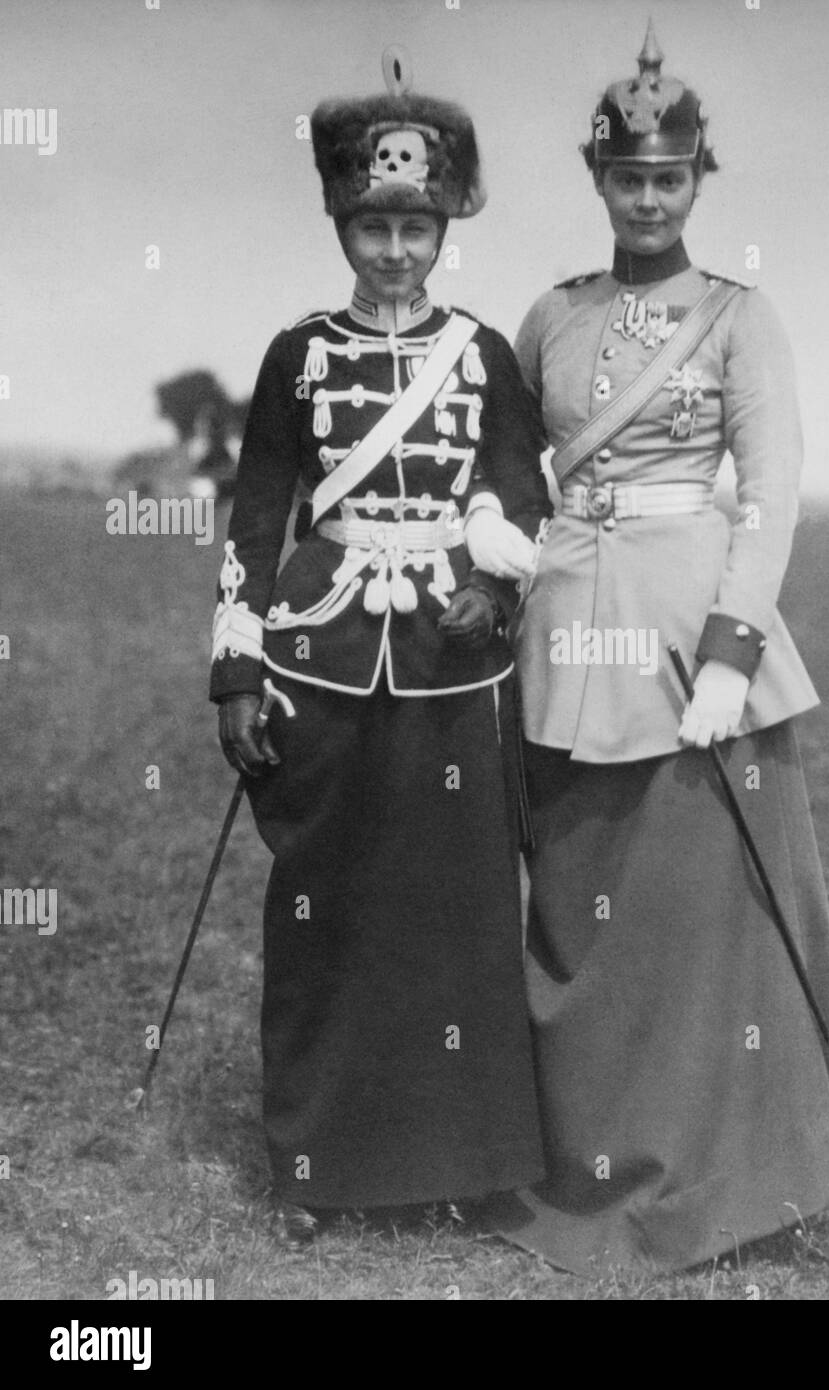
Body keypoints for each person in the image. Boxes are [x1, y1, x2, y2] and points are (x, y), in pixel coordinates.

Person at [480, 24, 829, 1275]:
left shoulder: (743, 319)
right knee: (579, 913)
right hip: (565, 629)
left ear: (699, 182)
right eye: (628, 177)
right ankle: (580, 1157)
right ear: (598, 181)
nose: (648, 198)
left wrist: (732, 655)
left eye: (672, 178)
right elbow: (506, 469)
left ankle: (728, 1183)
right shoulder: (551, 313)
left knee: (699, 921)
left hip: (690, 627)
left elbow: (774, 491)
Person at [209, 52, 550, 1244]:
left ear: (446, 222)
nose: (395, 249)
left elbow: (523, 498)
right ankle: (319, 1163)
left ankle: (466, 1161)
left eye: (415, 225)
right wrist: (238, 668)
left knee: (456, 908)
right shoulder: (296, 354)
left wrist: (494, 598)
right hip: (322, 656)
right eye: (371, 224)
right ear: (340, 220)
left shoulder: (485, 354)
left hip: (455, 663)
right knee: (324, 902)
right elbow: (257, 516)